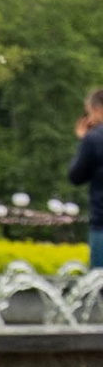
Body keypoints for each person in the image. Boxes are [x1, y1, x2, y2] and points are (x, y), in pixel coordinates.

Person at [70, 92, 103, 267]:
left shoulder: (94, 138)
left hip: (101, 224)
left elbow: (76, 176)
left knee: (99, 286)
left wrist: (83, 140)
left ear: (97, 108)